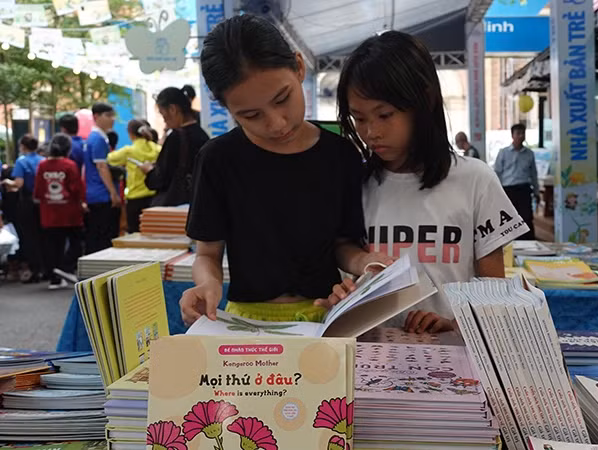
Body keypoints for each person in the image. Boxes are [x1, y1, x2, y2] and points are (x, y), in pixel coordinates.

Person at [180, 14, 390, 326]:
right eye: (250, 115)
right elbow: (207, 253)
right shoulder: (218, 159)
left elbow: (343, 244)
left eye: (283, 99)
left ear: (299, 66)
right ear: (224, 107)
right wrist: (206, 283)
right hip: (247, 323)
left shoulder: (340, 155)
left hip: (326, 318)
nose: (276, 124)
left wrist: (364, 261)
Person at [336, 31, 529, 333]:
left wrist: (455, 324)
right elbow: (344, 262)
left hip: (453, 364)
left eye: (384, 115)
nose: (371, 132)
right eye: (359, 118)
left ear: (424, 102)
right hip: (370, 360)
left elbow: (493, 293)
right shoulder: (354, 184)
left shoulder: (475, 180)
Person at [140, 87, 209, 207]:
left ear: (172, 109)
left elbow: (161, 179)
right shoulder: (203, 135)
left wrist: (149, 170)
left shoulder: (176, 137)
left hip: (177, 206)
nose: (164, 121)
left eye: (163, 114)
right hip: (200, 202)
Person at [33, 134, 86, 289]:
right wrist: (82, 203)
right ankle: (66, 268)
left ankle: (55, 278)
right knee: (76, 241)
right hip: (69, 212)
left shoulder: (42, 165)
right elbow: (77, 188)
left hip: (49, 212)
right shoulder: (69, 165)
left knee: (52, 245)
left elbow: (38, 190)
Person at [2, 135, 44, 282]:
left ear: (23, 147)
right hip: (42, 202)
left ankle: (34, 269)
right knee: (42, 235)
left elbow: (18, 184)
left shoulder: (22, 161)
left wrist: (7, 181)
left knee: (29, 237)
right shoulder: (42, 160)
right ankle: (45, 268)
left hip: (27, 202)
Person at [107, 119, 161, 233]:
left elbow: (109, 159)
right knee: (154, 232)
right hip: (155, 197)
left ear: (130, 133)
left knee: (136, 233)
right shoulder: (157, 149)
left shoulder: (129, 151)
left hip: (135, 198)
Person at [84, 102, 121, 254]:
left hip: (94, 194)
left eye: (113, 116)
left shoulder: (94, 138)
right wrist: (113, 193)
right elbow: (101, 167)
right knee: (103, 239)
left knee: (95, 236)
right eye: (108, 115)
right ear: (96, 117)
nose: (112, 119)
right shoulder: (98, 139)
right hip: (101, 194)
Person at [493, 123, 540, 240]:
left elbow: (533, 174)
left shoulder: (529, 154)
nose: (520, 136)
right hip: (508, 190)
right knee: (509, 219)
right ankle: (509, 243)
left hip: (524, 189)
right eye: (518, 133)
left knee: (526, 218)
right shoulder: (503, 152)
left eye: (523, 133)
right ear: (512, 135)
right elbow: (497, 172)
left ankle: (528, 244)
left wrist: (537, 191)